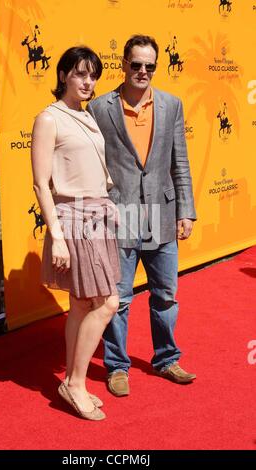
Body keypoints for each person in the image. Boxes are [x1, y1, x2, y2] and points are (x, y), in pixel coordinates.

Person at [87, 34, 197, 397]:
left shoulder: (171, 105)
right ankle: (117, 366)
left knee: (165, 294)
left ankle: (166, 358)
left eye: (150, 66)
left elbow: (179, 161)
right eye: (136, 64)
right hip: (121, 215)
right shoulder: (100, 107)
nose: (143, 71)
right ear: (123, 64)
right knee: (116, 299)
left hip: (162, 214)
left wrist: (187, 211)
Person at [31, 46, 120, 419]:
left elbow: (93, 164)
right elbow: (40, 184)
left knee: (82, 304)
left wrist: (107, 195)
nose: (88, 82)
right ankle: (75, 383)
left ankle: (71, 380)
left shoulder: (86, 115)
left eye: (93, 75)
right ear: (64, 74)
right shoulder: (49, 119)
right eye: (81, 74)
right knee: (106, 303)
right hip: (73, 219)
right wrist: (58, 236)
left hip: (97, 213)